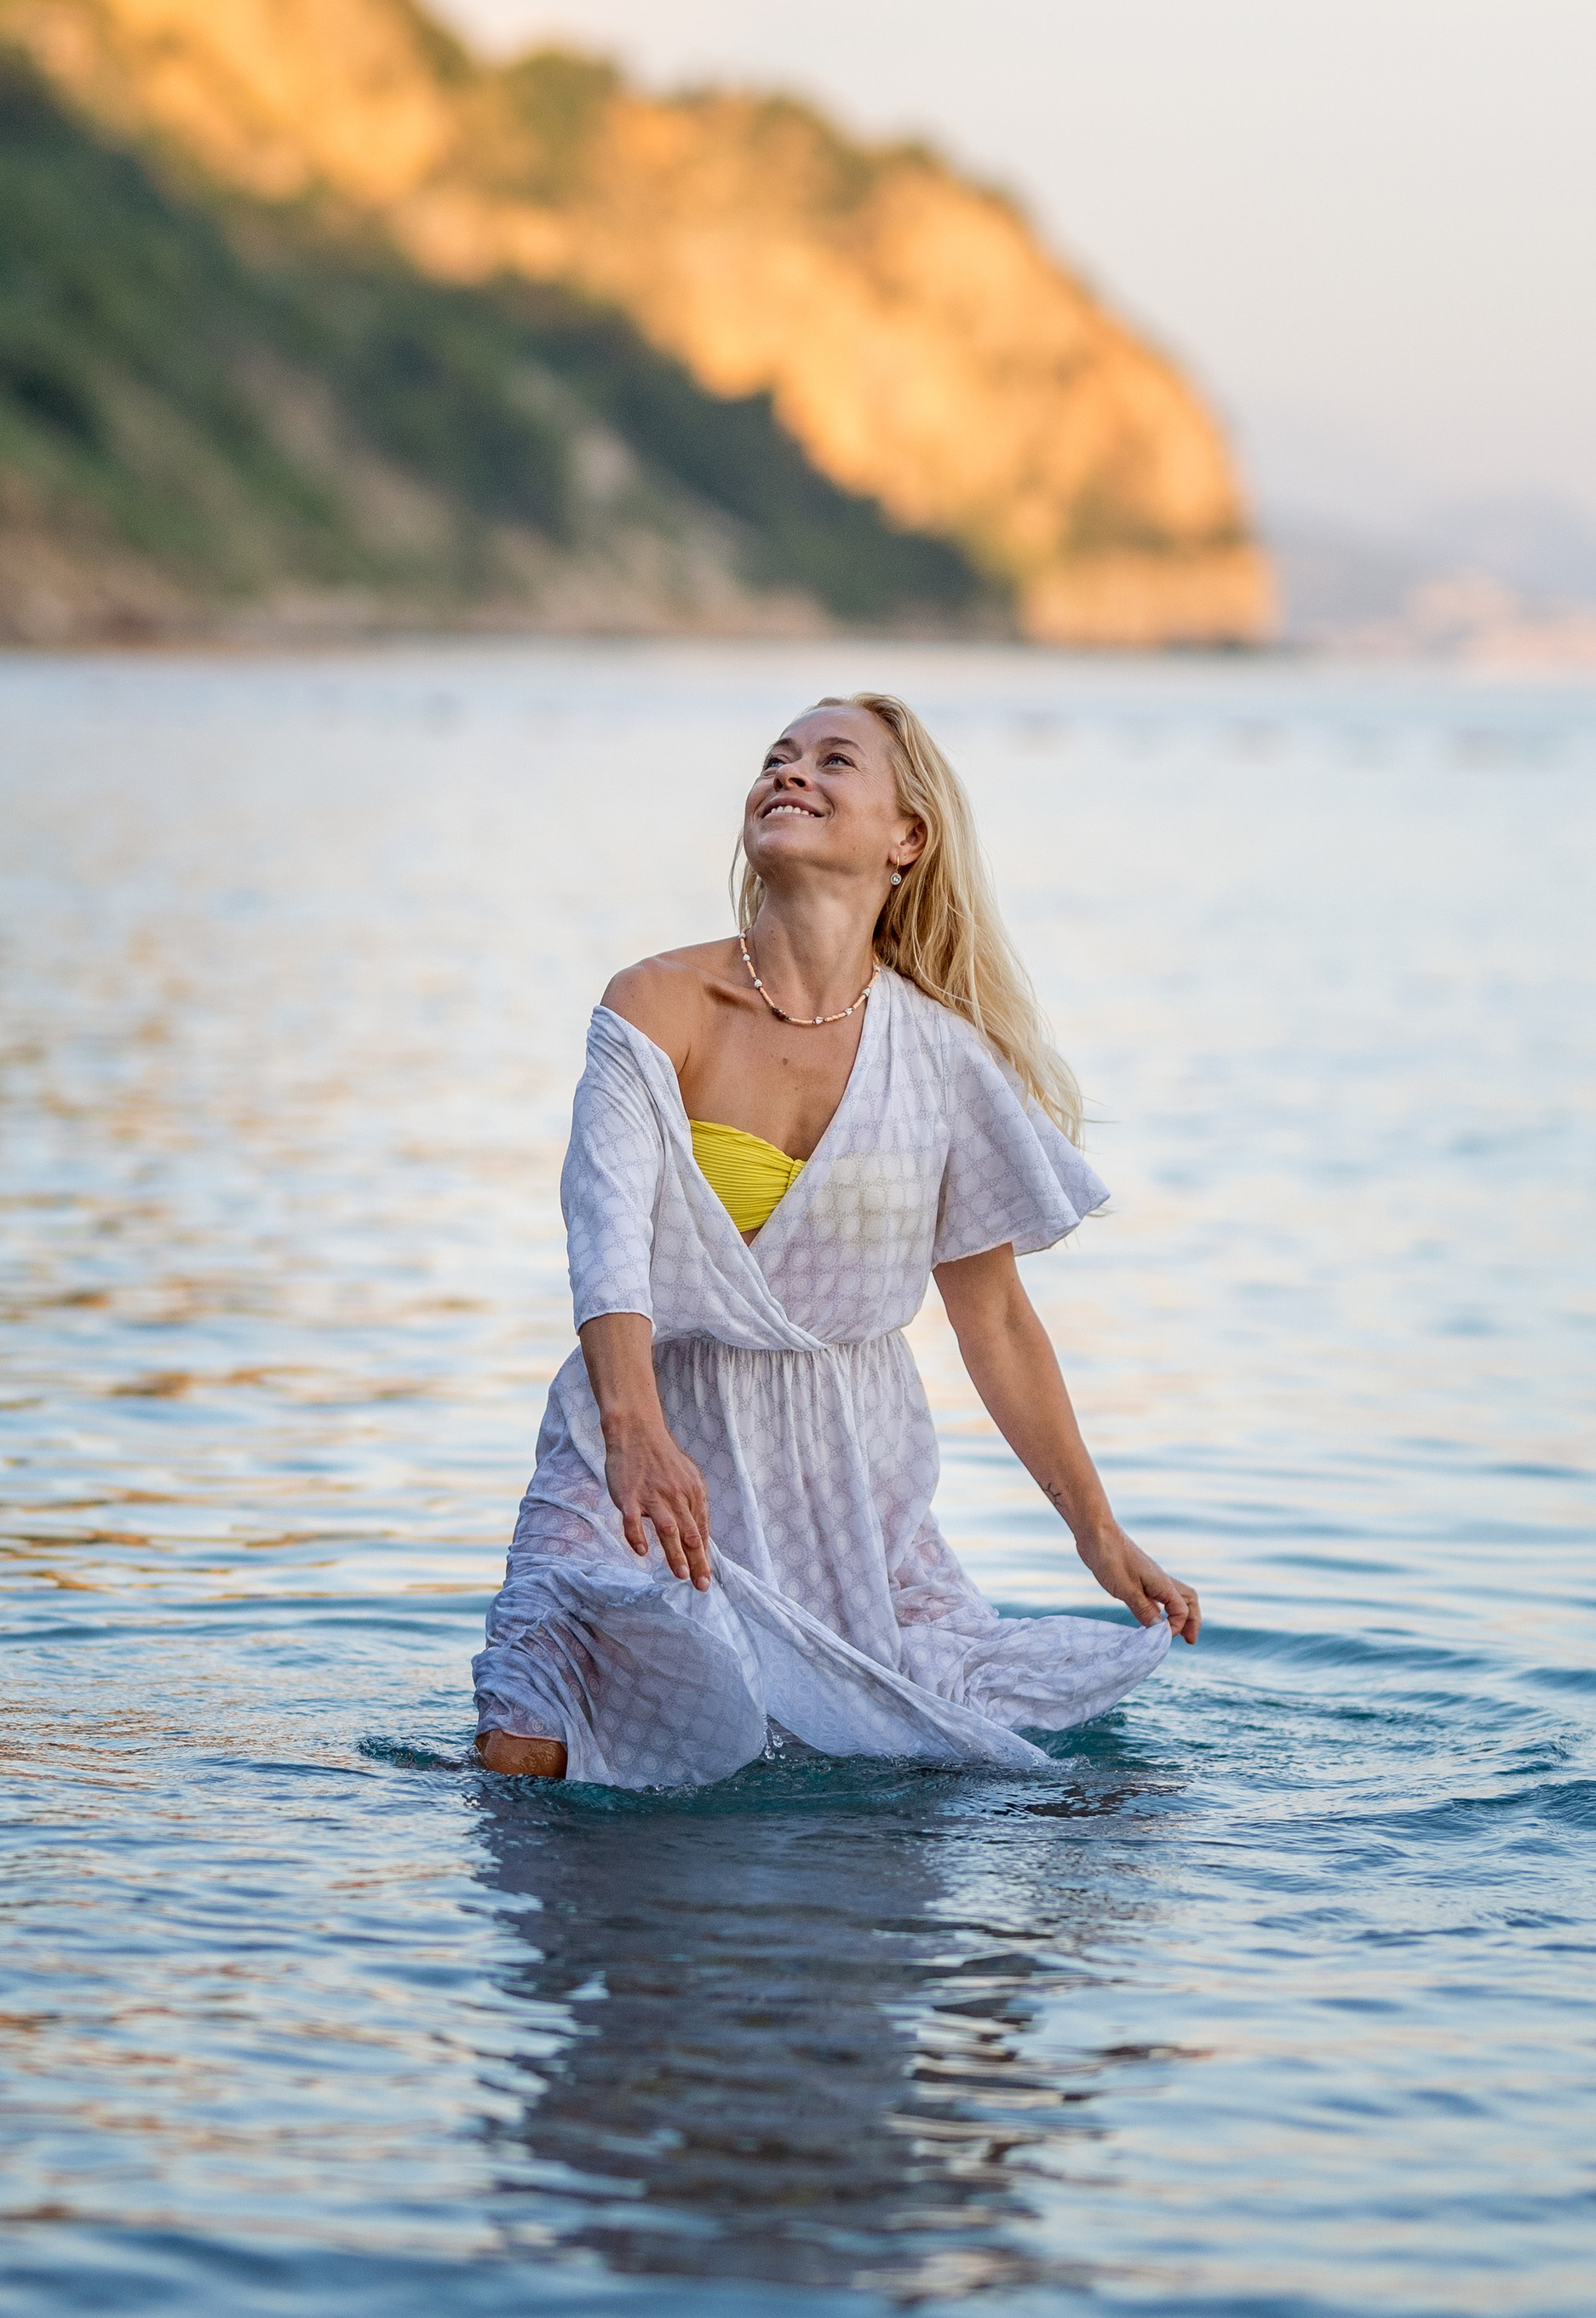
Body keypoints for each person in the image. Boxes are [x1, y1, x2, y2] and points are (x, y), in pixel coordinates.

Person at [473, 692, 1198, 1788]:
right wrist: (633, 1431)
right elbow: (604, 1232)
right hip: (644, 1428)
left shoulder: (943, 1058)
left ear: (907, 837)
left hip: (846, 1470)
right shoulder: (656, 1004)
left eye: (833, 760)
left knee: (924, 1748)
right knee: (531, 1735)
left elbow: (997, 1323)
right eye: (777, 756)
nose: (790, 772)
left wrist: (1096, 1533)